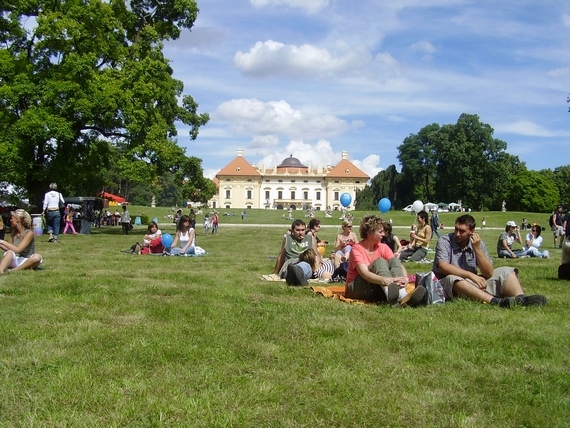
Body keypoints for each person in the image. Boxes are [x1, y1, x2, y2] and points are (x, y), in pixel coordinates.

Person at [432, 214, 546, 308]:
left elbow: (488, 273)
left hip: (472, 283)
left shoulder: (478, 244)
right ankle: (498, 302)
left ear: (472, 231)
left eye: (462, 231)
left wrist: (477, 249)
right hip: (448, 284)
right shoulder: (445, 241)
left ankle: (521, 299)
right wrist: (471, 276)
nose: (457, 234)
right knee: (453, 279)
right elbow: (443, 266)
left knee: (506, 271)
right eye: (456, 229)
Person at [344, 214, 426, 306]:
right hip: (356, 288)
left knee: (394, 261)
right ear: (370, 232)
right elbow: (364, 274)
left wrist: (405, 278)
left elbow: (397, 265)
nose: (383, 234)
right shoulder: (357, 249)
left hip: (375, 287)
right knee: (380, 261)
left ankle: (401, 295)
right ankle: (397, 296)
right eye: (380, 231)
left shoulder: (383, 247)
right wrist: (387, 281)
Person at [274, 219, 321, 284]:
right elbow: (281, 256)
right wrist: (275, 273)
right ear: (293, 231)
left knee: (304, 265)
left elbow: (317, 256)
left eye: (303, 230)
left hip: (306, 264)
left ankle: (296, 275)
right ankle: (295, 276)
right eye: (298, 230)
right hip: (290, 264)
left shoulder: (310, 239)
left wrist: (317, 272)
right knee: (291, 267)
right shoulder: (287, 239)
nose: (300, 233)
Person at [0, 209, 43, 274]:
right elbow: (8, 249)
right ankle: (1, 271)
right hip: (15, 259)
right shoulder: (14, 232)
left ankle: (13, 271)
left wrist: (2, 242)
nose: (10, 220)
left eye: (12, 218)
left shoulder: (29, 233)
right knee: (9, 253)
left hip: (26, 260)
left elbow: (18, 250)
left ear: (18, 219)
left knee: (37, 257)